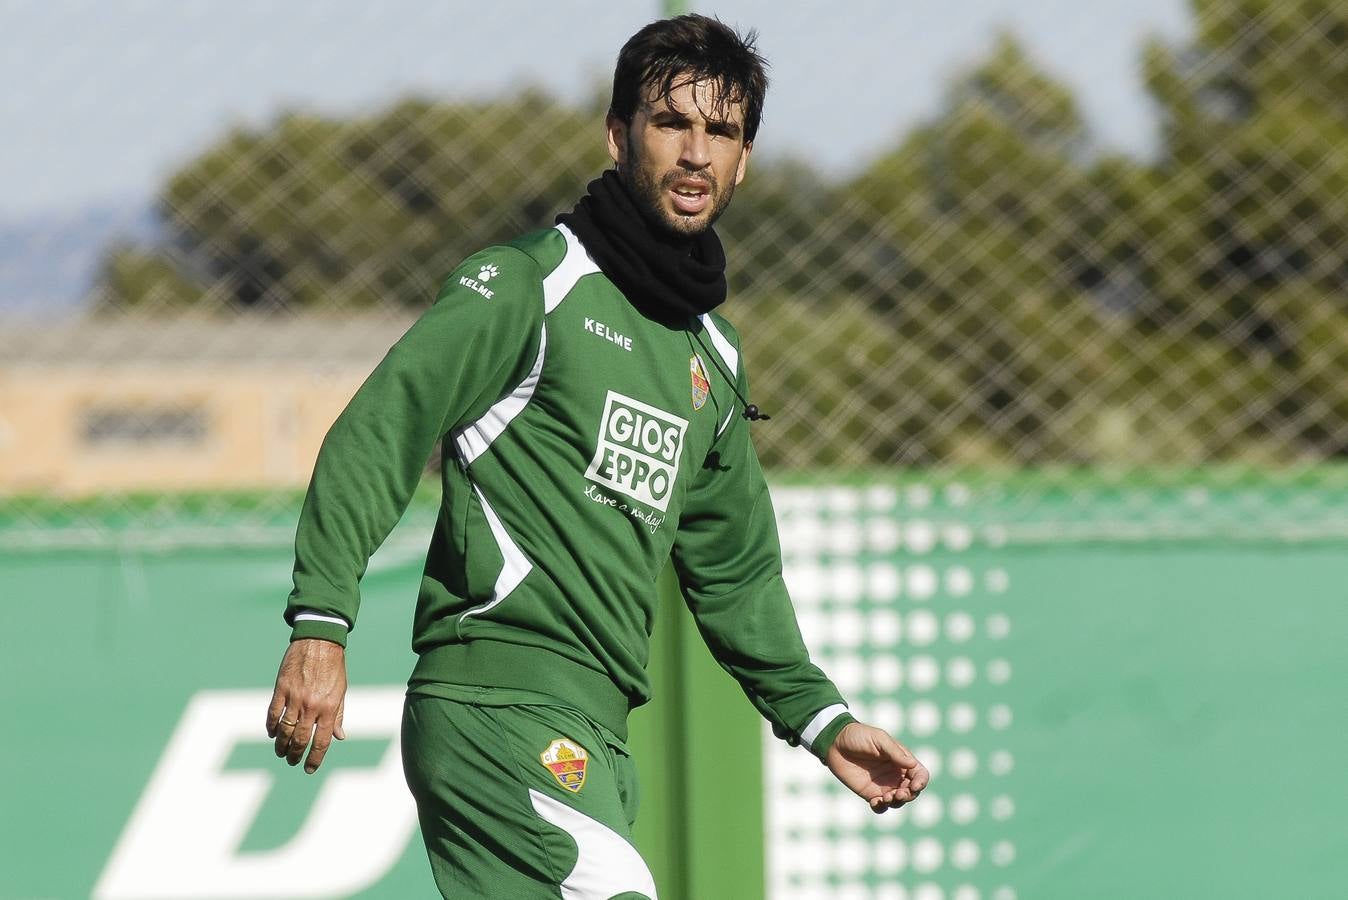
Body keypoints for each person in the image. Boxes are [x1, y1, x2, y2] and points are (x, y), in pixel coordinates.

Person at [265, 14, 928, 899]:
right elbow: (385, 426)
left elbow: (734, 573)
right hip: (496, 704)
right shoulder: (532, 284)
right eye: (672, 124)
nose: (696, 152)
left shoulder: (711, 359)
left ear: (745, 161)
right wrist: (321, 625)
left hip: (599, 736)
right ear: (619, 137)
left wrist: (820, 719)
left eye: (721, 132)